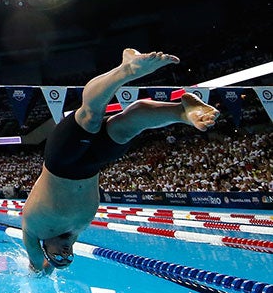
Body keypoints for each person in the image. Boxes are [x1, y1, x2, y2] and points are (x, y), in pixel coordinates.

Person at [21, 48, 220, 274]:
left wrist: (43, 270)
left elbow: (37, 267)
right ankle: (182, 111)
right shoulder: (75, 230)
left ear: (45, 250)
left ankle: (126, 70)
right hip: (93, 164)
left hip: (61, 161)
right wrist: (58, 261)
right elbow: (58, 256)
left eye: (58, 255)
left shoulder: (34, 231)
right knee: (127, 127)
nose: (65, 253)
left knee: (90, 117)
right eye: (69, 257)